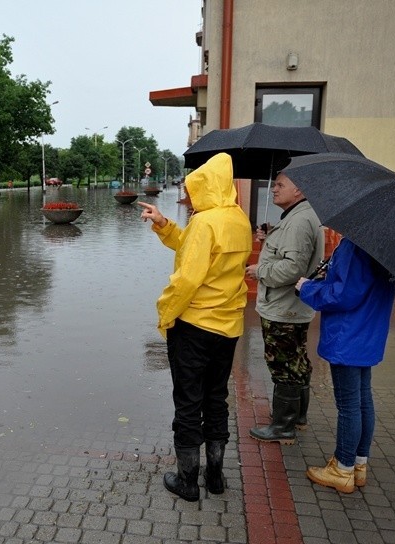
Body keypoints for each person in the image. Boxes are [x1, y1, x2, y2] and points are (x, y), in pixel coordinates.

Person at [138, 153, 252, 501]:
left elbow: (187, 278)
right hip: (228, 328)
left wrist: (165, 313)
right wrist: (164, 224)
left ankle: (187, 482)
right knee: (216, 399)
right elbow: (197, 249)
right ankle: (215, 478)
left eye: (192, 190)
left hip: (195, 327)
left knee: (188, 402)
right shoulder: (238, 219)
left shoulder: (205, 223)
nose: (189, 197)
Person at [295, 237, 395, 493]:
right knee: (363, 400)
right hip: (368, 333)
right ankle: (358, 465)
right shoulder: (389, 247)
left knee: (349, 405)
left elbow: (342, 294)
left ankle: (342, 468)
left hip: (348, 335)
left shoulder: (356, 245)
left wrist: (307, 287)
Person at [245, 173, 324, 444]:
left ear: (299, 190)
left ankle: (283, 426)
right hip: (292, 306)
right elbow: (289, 254)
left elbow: (293, 268)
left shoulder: (299, 220)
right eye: (274, 184)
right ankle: (297, 417)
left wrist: (260, 270)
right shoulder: (296, 217)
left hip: (284, 307)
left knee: (283, 363)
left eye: (280, 185)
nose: (273, 190)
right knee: (296, 361)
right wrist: (271, 235)